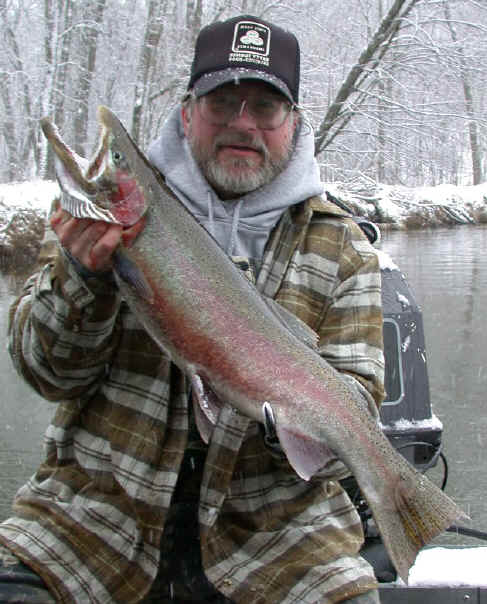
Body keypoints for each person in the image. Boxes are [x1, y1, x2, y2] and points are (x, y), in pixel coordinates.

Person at [0, 14, 385, 604]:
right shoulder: (97, 220)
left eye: (265, 107)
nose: (242, 124)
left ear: (294, 122)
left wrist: (292, 415)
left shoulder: (344, 250)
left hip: (281, 540)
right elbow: (45, 373)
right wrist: (83, 277)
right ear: (186, 113)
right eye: (222, 102)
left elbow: (346, 440)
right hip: (89, 520)